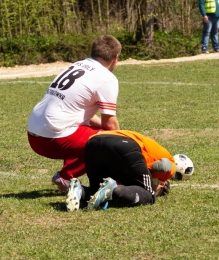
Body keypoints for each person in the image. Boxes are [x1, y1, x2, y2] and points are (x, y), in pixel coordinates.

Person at [27, 35, 121, 193]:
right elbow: (110, 125)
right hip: (51, 139)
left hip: (34, 134)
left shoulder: (77, 65)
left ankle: (69, 178)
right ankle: (66, 176)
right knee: (110, 141)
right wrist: (123, 143)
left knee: (88, 131)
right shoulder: (106, 78)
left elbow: (78, 112)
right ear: (115, 58)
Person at [66, 130, 178, 211]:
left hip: (92, 144)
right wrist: (156, 190)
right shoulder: (171, 162)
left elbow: (131, 172)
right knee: (149, 195)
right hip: (123, 145)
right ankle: (114, 189)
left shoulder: (153, 149)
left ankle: (80, 190)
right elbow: (164, 165)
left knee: (98, 190)